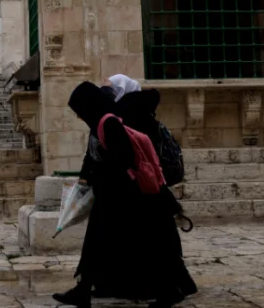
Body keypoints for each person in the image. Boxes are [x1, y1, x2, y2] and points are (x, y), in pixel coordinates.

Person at [54, 82, 197, 308]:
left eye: (79, 109)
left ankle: (169, 291)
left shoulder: (108, 123)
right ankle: (83, 289)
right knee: (99, 244)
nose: (79, 116)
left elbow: (124, 158)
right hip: (116, 197)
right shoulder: (103, 122)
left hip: (126, 197)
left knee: (143, 246)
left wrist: (99, 176)